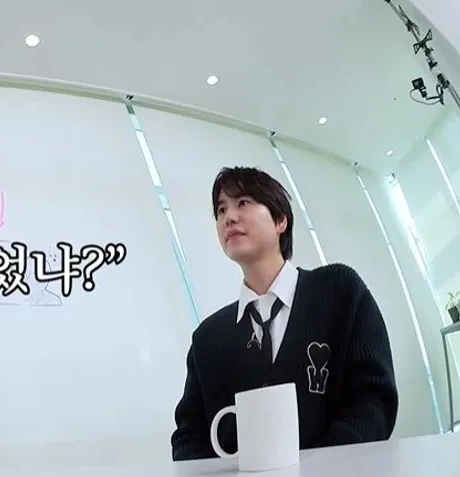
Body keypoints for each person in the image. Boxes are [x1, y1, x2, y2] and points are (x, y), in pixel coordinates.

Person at [170, 166, 398, 461]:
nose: (229, 217)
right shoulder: (207, 338)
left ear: (280, 220)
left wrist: (321, 469)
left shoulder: (340, 291)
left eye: (243, 203)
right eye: (221, 209)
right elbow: (188, 438)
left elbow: (374, 399)